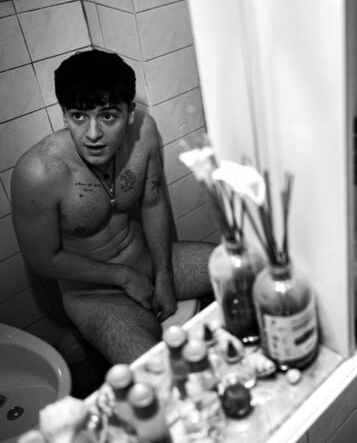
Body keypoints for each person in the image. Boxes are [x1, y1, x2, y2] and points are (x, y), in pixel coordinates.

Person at [10, 49, 214, 365]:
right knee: (154, 372)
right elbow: (43, 260)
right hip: (93, 294)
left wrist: (164, 276)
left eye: (107, 116)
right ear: (64, 114)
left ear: (129, 113)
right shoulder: (40, 172)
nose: (93, 134)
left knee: (242, 266)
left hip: (146, 261)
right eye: (79, 116)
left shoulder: (144, 132)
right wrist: (121, 276)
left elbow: (153, 201)